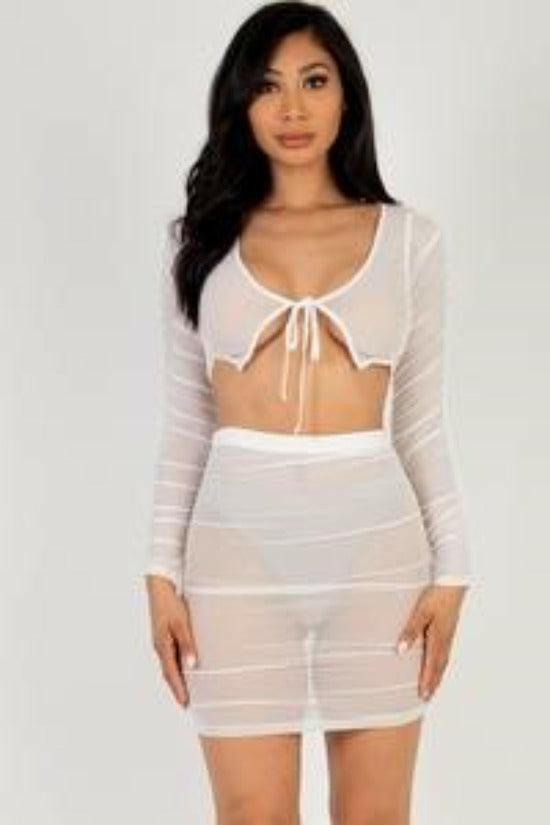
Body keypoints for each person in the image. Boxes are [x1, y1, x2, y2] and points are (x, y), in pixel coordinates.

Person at [144, 2, 473, 822]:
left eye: (314, 82)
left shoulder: (409, 241)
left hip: (376, 555)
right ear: (240, 103)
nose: (292, 108)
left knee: (375, 817)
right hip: (235, 558)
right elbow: (187, 422)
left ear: (346, 95)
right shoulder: (198, 242)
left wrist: (454, 572)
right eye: (268, 86)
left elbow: (420, 419)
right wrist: (158, 573)